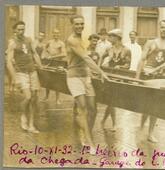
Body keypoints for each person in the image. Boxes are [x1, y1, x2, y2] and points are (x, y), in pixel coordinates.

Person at [66, 15, 109, 146]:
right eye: (77, 24)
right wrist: (101, 72)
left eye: (82, 24)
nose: (80, 26)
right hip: (74, 77)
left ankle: (86, 132)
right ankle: (89, 142)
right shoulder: (72, 40)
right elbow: (86, 58)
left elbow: (90, 57)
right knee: (83, 108)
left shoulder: (83, 38)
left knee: (93, 110)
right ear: (72, 25)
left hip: (86, 75)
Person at [136, 20, 165, 143]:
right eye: (162, 27)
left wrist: (157, 70)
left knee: (156, 107)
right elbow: (142, 60)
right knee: (146, 105)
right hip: (147, 76)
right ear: (159, 28)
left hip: (159, 77)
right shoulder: (151, 43)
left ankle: (150, 133)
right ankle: (141, 128)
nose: (163, 29)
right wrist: (137, 77)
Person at [6, 21, 43, 133]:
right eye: (19, 29)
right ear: (15, 31)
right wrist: (14, 78)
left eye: (23, 29)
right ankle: (23, 116)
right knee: (27, 97)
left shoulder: (29, 40)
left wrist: (40, 66)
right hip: (21, 73)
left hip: (32, 71)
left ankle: (31, 125)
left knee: (34, 98)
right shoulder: (12, 43)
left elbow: (34, 53)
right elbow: (8, 62)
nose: (22, 31)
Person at [101, 29, 131, 131]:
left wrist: (121, 67)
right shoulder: (109, 48)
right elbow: (101, 57)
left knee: (112, 101)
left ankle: (108, 122)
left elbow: (128, 65)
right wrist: (101, 65)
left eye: (111, 36)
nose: (109, 38)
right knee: (111, 101)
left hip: (120, 78)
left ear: (117, 37)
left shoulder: (126, 50)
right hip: (109, 76)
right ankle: (111, 123)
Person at [43, 28, 67, 104]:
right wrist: (45, 54)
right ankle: (46, 97)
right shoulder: (49, 42)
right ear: (52, 34)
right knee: (47, 80)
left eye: (57, 33)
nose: (56, 35)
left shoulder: (61, 43)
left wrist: (53, 56)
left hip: (57, 63)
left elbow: (64, 54)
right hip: (50, 62)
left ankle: (57, 99)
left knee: (57, 81)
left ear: (59, 34)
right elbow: (45, 48)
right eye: (54, 33)